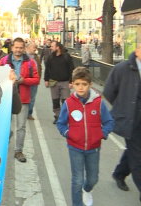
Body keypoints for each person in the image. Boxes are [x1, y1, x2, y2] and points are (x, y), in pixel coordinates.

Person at [57, 67, 114, 206]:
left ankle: (87, 190)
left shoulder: (98, 102)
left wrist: (101, 134)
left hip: (93, 149)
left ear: (90, 85)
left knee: (92, 179)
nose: (80, 87)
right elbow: (61, 123)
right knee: (77, 180)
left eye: (84, 84)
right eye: (77, 84)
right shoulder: (69, 103)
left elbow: (109, 122)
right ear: (73, 84)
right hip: (74, 147)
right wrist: (68, 134)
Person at [104, 43, 141, 200]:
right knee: (138, 158)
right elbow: (109, 91)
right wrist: (123, 109)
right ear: (138, 50)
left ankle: (119, 173)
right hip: (131, 121)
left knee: (134, 152)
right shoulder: (122, 68)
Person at [0, 37, 40, 163]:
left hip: (23, 98)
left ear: (24, 48)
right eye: (16, 47)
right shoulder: (4, 60)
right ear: (12, 48)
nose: (18, 50)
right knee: (5, 126)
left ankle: (18, 151)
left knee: (21, 126)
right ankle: (2, 149)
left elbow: (37, 80)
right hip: (6, 97)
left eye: (21, 48)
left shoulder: (30, 62)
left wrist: (24, 81)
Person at [44, 41, 75, 124]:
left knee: (65, 101)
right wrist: (46, 80)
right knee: (55, 100)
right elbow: (47, 69)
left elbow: (71, 69)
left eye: (52, 46)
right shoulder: (51, 57)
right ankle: (57, 116)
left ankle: (65, 117)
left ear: (58, 47)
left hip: (65, 82)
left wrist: (71, 81)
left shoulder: (66, 57)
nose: (51, 48)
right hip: (54, 82)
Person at [26, 42, 42, 120]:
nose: (35, 49)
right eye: (34, 47)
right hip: (25, 80)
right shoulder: (24, 56)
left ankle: (29, 113)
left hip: (34, 80)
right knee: (23, 97)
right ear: (28, 47)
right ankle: (21, 112)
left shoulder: (36, 56)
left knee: (32, 98)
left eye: (36, 47)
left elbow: (39, 67)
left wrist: (39, 77)